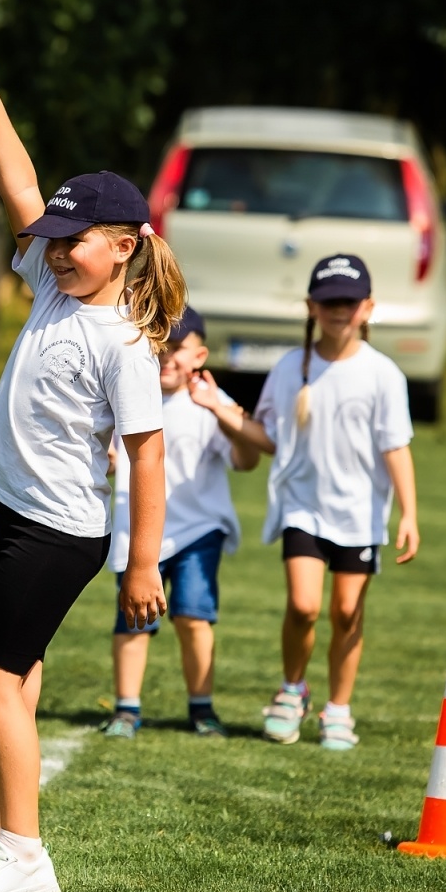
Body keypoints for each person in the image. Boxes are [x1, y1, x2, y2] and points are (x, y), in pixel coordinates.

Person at [0, 13, 185, 892]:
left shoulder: (125, 343)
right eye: (54, 239)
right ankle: (8, 842)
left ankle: (24, 859)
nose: (56, 250)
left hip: (58, 530)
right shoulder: (51, 285)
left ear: (125, 247)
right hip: (18, 512)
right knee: (18, 677)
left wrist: (141, 564)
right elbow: (18, 182)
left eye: (75, 241)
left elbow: (147, 460)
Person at [209, 254, 418, 750]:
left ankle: (338, 708)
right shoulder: (288, 369)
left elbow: (396, 447)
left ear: (367, 308)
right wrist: (218, 408)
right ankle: (291, 690)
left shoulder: (384, 374)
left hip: (360, 515)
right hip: (301, 506)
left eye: (349, 301)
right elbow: (269, 437)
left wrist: (409, 513)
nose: (339, 310)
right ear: (311, 307)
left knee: (346, 612)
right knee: (303, 606)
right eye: (329, 301)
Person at [100, 307, 259, 740]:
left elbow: (246, 460)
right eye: (158, 345)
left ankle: (202, 707)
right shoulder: (125, 392)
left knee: (193, 617)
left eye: (178, 347)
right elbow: (108, 457)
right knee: (133, 620)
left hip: (198, 532)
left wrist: (221, 411)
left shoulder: (210, 401)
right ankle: (126, 709)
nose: (167, 355)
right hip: (138, 534)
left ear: (200, 356)